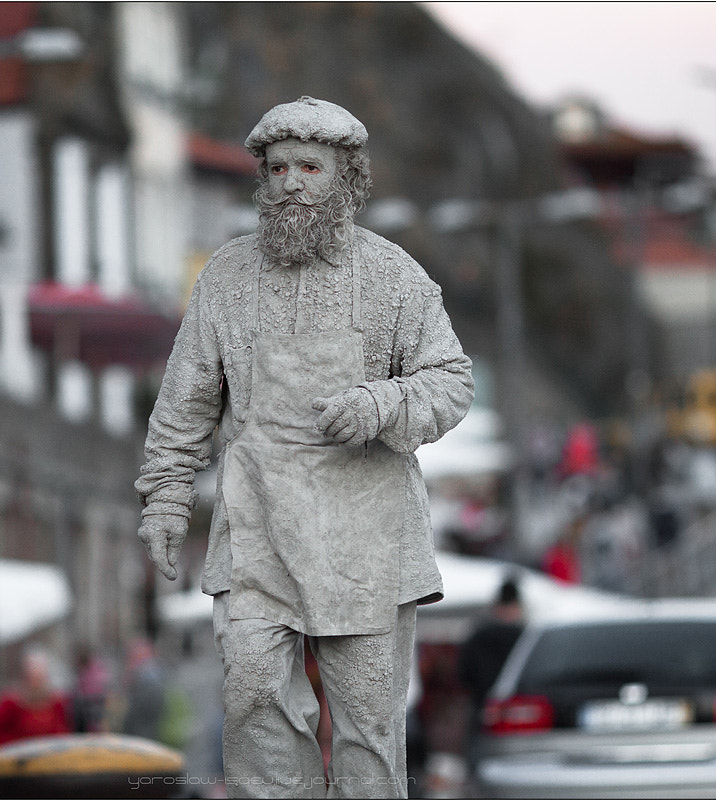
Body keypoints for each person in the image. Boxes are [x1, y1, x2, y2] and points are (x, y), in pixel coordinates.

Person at [135, 96, 473, 798]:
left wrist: (382, 403)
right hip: (257, 530)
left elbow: (451, 380)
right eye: (278, 166)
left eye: (310, 167)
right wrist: (165, 499)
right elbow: (185, 404)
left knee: (369, 731)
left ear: (347, 179)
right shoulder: (225, 280)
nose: (291, 181)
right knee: (252, 704)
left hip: (366, 541)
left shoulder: (393, 278)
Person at [456, 576, 525, 766]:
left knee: (480, 764)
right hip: (518, 711)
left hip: (482, 706)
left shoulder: (478, 635)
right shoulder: (525, 636)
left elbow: (463, 673)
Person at [0, 649, 71, 747]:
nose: (37, 681)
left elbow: (63, 733)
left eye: (40, 676)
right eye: (33, 675)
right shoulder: (10, 703)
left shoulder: (57, 703)